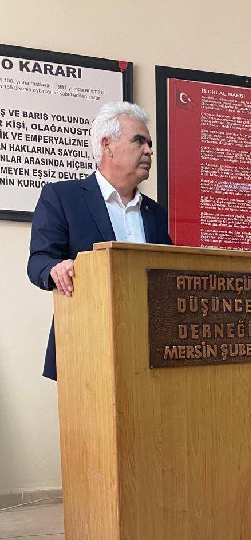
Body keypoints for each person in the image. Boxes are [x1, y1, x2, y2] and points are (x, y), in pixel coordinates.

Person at [27, 101, 172, 380]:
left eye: (150, 144)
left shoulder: (155, 212)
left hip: (149, 352)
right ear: (107, 145)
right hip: (86, 347)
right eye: (139, 141)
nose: (149, 150)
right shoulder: (63, 197)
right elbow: (39, 261)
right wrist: (56, 269)